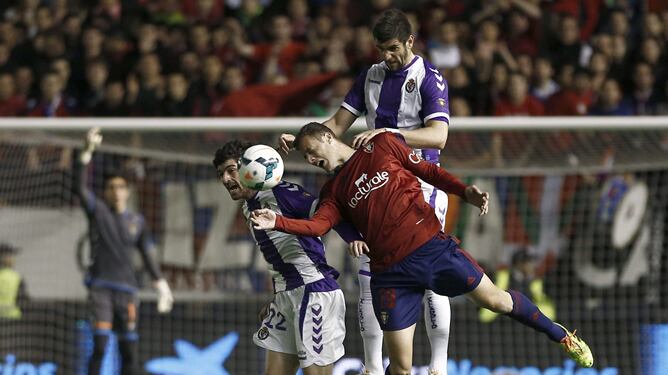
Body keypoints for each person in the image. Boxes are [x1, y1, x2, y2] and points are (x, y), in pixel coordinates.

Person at [255, 123, 594, 375]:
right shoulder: (333, 190)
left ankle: (560, 335)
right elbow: (318, 226)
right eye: (305, 157)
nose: (311, 159)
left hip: (432, 248)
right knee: (401, 369)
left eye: (312, 151)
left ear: (329, 136)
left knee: (496, 301)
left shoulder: (383, 145)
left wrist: (464, 192)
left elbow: (427, 170)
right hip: (390, 275)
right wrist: (278, 221)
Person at [279, 9, 453, 375]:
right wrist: (300, 141)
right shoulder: (370, 76)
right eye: (380, 50)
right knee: (368, 271)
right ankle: (374, 367)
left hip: (419, 184)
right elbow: (336, 126)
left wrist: (388, 136)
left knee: (431, 273)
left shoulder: (429, 79)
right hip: (373, 184)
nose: (386, 57)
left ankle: (439, 366)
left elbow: (438, 135)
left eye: (392, 49)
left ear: (410, 41)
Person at [212, 140, 352, 375]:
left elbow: (329, 215)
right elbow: (283, 256)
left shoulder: (283, 193)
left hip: (314, 291)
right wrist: (278, 296)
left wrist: (355, 238)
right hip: (286, 295)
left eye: (231, 170)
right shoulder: (249, 206)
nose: (226, 179)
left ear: (249, 167)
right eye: (221, 174)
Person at [75, 128, 174, 375]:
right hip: (101, 288)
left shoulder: (137, 221)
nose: (117, 191)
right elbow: (79, 188)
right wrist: (85, 155)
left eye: (121, 187)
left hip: (128, 291)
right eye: (111, 187)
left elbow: (148, 254)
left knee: (129, 350)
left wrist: (160, 283)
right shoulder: (99, 212)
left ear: (127, 192)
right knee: (99, 345)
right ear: (106, 192)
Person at [0, 243, 28, 320]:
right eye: (11, 255)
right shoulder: (15, 278)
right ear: (5, 258)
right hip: (13, 322)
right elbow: (24, 304)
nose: (13, 259)